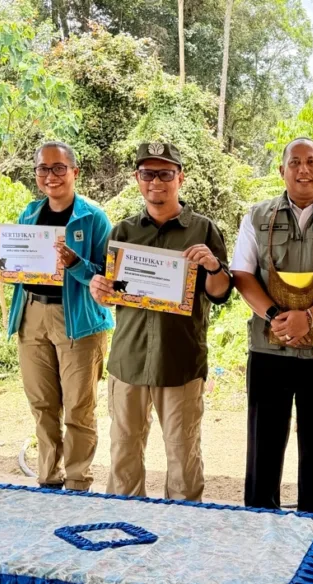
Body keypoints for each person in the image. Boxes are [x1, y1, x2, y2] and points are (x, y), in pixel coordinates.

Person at [88, 142, 232, 499]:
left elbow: (221, 292)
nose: (156, 181)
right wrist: (99, 289)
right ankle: (122, 526)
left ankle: (181, 532)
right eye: (148, 173)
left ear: (179, 178)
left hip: (179, 360)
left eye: (165, 173)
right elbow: (110, 293)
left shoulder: (203, 230)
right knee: (123, 453)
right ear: (138, 179)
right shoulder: (122, 232)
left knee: (183, 455)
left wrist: (212, 266)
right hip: (129, 360)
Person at [231, 137, 313, 513]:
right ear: (282, 170)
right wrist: (275, 317)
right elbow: (242, 274)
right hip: (267, 347)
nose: (303, 170)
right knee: (263, 447)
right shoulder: (256, 216)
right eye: (294, 162)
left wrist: (309, 317)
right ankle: (260, 525)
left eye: (311, 162)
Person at [0, 142, 113, 491]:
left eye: (58, 168)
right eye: (42, 169)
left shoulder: (94, 218)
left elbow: (107, 277)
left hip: (79, 320)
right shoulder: (29, 214)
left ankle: (79, 482)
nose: (50, 176)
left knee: (79, 409)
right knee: (42, 404)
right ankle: (49, 481)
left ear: (74, 172)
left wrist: (74, 263)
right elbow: (18, 266)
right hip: (32, 314)